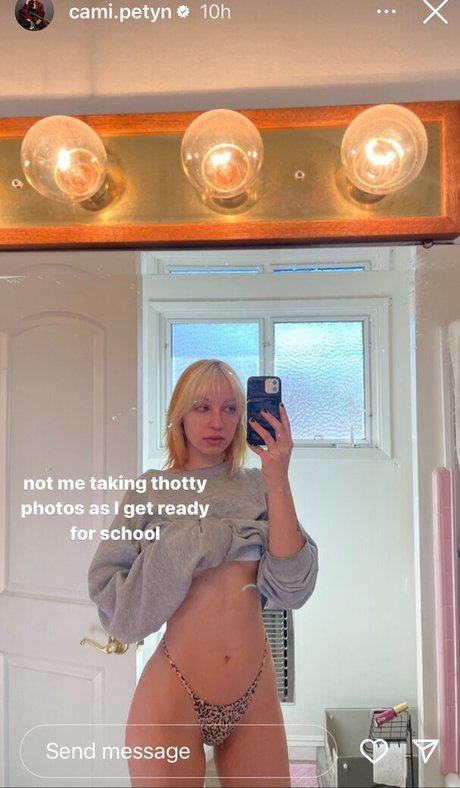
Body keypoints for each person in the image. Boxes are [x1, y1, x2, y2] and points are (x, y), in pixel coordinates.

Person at [88, 360, 318, 787]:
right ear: (180, 414)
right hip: (172, 696)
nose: (217, 422)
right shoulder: (150, 490)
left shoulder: (259, 485)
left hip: (255, 695)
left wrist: (278, 480)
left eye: (230, 409)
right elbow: (111, 600)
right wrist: (189, 546)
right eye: (202, 407)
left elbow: (293, 587)